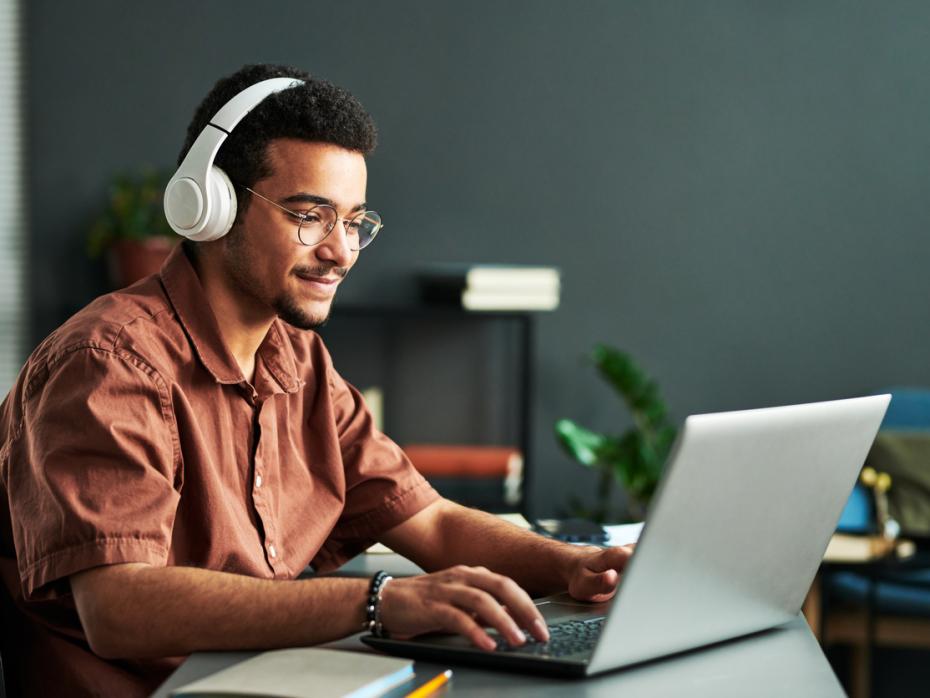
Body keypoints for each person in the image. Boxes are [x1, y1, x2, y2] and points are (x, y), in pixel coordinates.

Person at [0, 64, 633, 697]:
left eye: (355, 221)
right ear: (212, 207)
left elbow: (430, 523)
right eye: (311, 216)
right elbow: (118, 606)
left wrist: (578, 568)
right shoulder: (107, 361)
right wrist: (380, 601)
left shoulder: (298, 358)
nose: (342, 250)